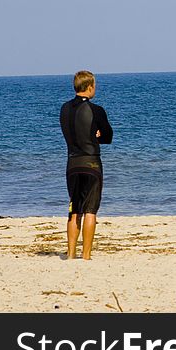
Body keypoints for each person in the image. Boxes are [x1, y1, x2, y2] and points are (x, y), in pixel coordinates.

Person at [59, 70, 113, 260]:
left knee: (74, 210)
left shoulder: (64, 109)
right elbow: (108, 137)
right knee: (90, 210)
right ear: (90, 87)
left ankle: (71, 253)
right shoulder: (96, 110)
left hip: (72, 163)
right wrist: (97, 134)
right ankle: (86, 255)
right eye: (94, 86)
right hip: (91, 163)